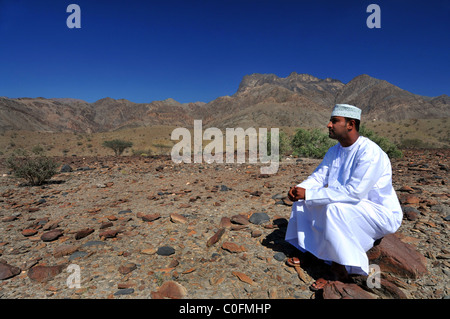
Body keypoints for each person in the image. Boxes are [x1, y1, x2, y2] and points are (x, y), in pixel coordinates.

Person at [284, 104, 403, 290]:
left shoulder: (369, 152)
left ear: (350, 124)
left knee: (334, 208)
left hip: (378, 212)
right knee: (303, 203)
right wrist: (301, 189)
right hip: (350, 204)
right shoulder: (334, 151)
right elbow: (319, 177)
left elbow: (355, 192)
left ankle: (340, 268)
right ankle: (311, 250)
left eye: (334, 121)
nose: (328, 125)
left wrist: (311, 194)